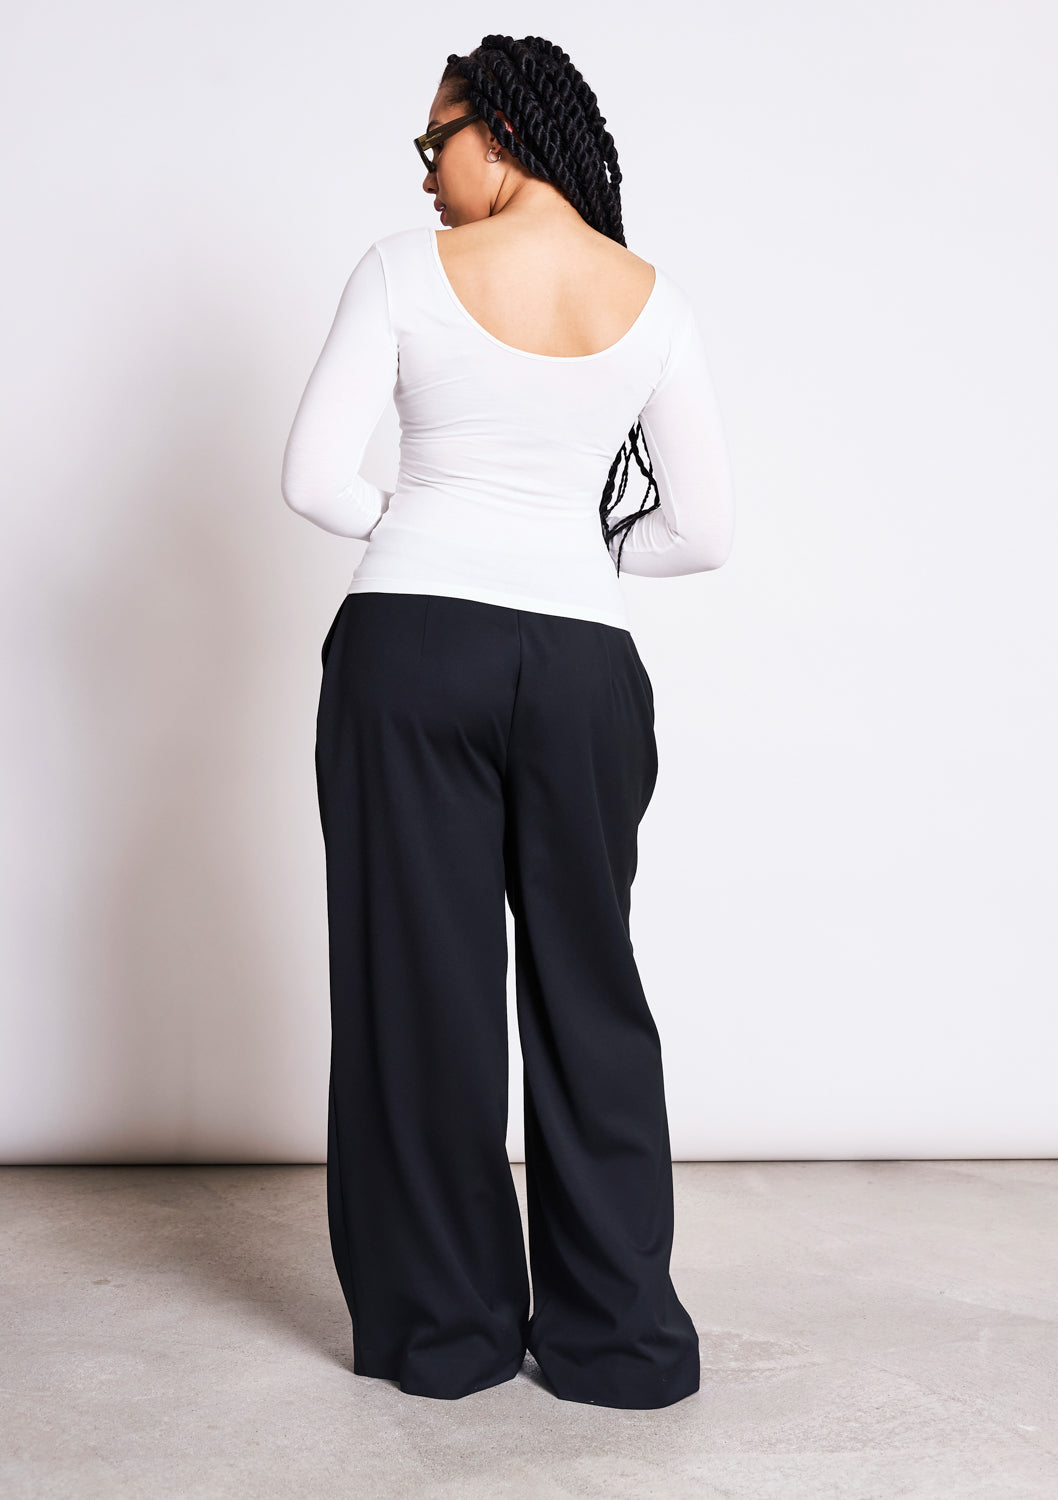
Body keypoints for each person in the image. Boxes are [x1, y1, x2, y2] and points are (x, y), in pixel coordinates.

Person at [280, 33, 736, 1411]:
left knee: (420, 994)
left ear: (505, 132)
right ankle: (619, 1342)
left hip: (412, 650)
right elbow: (703, 533)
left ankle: (448, 1335)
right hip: (586, 667)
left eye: (439, 141)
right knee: (591, 991)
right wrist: (572, 557)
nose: (425, 172)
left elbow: (313, 480)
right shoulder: (651, 298)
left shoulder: (402, 271)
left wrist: (422, 527)